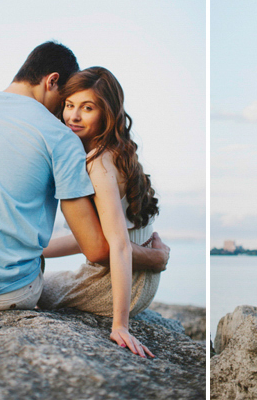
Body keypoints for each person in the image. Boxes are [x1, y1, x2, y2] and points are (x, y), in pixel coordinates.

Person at [0, 42, 168, 358]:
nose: (65, 114)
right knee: (31, 261)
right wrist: (154, 258)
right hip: (6, 295)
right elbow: (96, 247)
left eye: (84, 106)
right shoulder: (60, 137)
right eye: (66, 102)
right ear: (52, 81)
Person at [38, 67, 161, 324]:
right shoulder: (115, 153)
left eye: (87, 108)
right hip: (142, 283)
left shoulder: (98, 162)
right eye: (70, 105)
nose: (73, 116)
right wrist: (36, 251)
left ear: (107, 113)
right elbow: (94, 236)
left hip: (110, 286)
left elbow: (118, 244)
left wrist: (120, 325)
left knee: (30, 288)